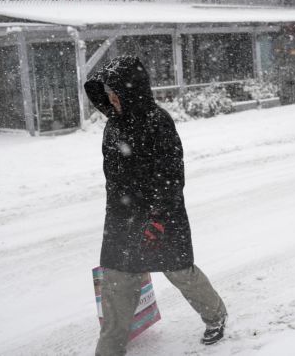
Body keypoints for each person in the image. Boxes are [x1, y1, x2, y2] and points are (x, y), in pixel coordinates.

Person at [84, 56, 227, 356]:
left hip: (160, 215)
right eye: (108, 92)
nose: (111, 98)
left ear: (131, 90)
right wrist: (117, 218)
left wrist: (158, 219)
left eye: (116, 91)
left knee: (179, 271)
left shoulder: (158, 122)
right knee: (115, 281)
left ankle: (215, 315)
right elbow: (113, 180)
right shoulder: (112, 128)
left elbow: (172, 177)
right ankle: (109, 349)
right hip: (122, 218)